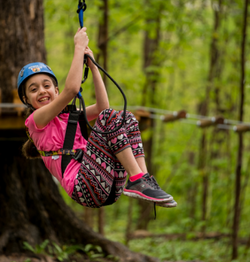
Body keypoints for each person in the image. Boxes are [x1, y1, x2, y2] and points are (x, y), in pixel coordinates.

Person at [17, 27, 177, 209]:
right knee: (109, 117)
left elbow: (102, 108)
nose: (42, 91)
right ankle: (137, 180)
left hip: (107, 183)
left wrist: (93, 68)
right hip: (83, 187)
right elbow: (72, 90)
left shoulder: (69, 116)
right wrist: (78, 47)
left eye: (46, 85)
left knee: (126, 118)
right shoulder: (35, 122)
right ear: (26, 100)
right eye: (33, 89)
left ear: (55, 90)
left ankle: (143, 180)